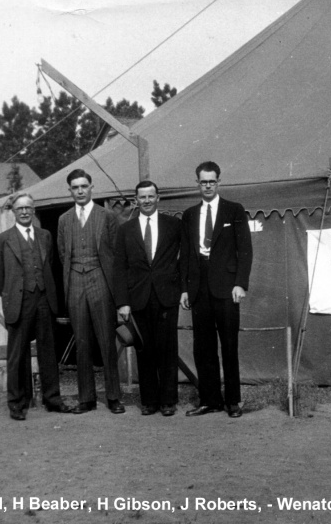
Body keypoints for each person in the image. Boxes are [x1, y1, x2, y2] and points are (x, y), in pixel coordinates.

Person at [180, 161, 253, 418]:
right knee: (203, 348)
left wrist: (240, 284)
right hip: (199, 290)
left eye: (212, 181)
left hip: (226, 289)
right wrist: (185, 289)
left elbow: (245, 250)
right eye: (203, 181)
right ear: (197, 183)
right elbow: (187, 254)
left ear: (219, 182)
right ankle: (209, 399)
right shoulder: (189, 215)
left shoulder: (234, 210)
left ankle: (233, 401)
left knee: (229, 345)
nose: (208, 185)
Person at [0, 193, 72, 420]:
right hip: (19, 302)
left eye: (28, 208)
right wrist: (13, 296)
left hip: (44, 301)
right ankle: (18, 403)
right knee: (17, 355)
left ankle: (52, 399)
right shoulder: (2, 240)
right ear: (13, 212)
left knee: (48, 352)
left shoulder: (45, 236)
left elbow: (51, 267)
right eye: (20, 209)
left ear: (34, 210)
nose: (25, 212)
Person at [57, 169, 124, 415]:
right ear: (70, 190)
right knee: (82, 342)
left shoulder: (106, 216)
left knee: (106, 341)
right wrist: (75, 273)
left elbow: (116, 254)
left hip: (100, 279)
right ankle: (86, 399)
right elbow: (63, 253)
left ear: (92, 187)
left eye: (84, 186)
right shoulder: (63, 220)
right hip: (75, 281)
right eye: (75, 187)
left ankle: (114, 397)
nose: (80, 191)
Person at [114, 180, 182, 416]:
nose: (146, 201)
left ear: (158, 198)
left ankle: (168, 401)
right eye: (142, 197)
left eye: (150, 196)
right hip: (138, 298)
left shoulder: (174, 225)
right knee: (145, 350)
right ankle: (150, 401)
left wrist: (181, 288)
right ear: (136, 200)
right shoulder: (125, 230)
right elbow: (119, 268)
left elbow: (185, 260)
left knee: (167, 350)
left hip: (166, 296)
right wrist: (122, 302)